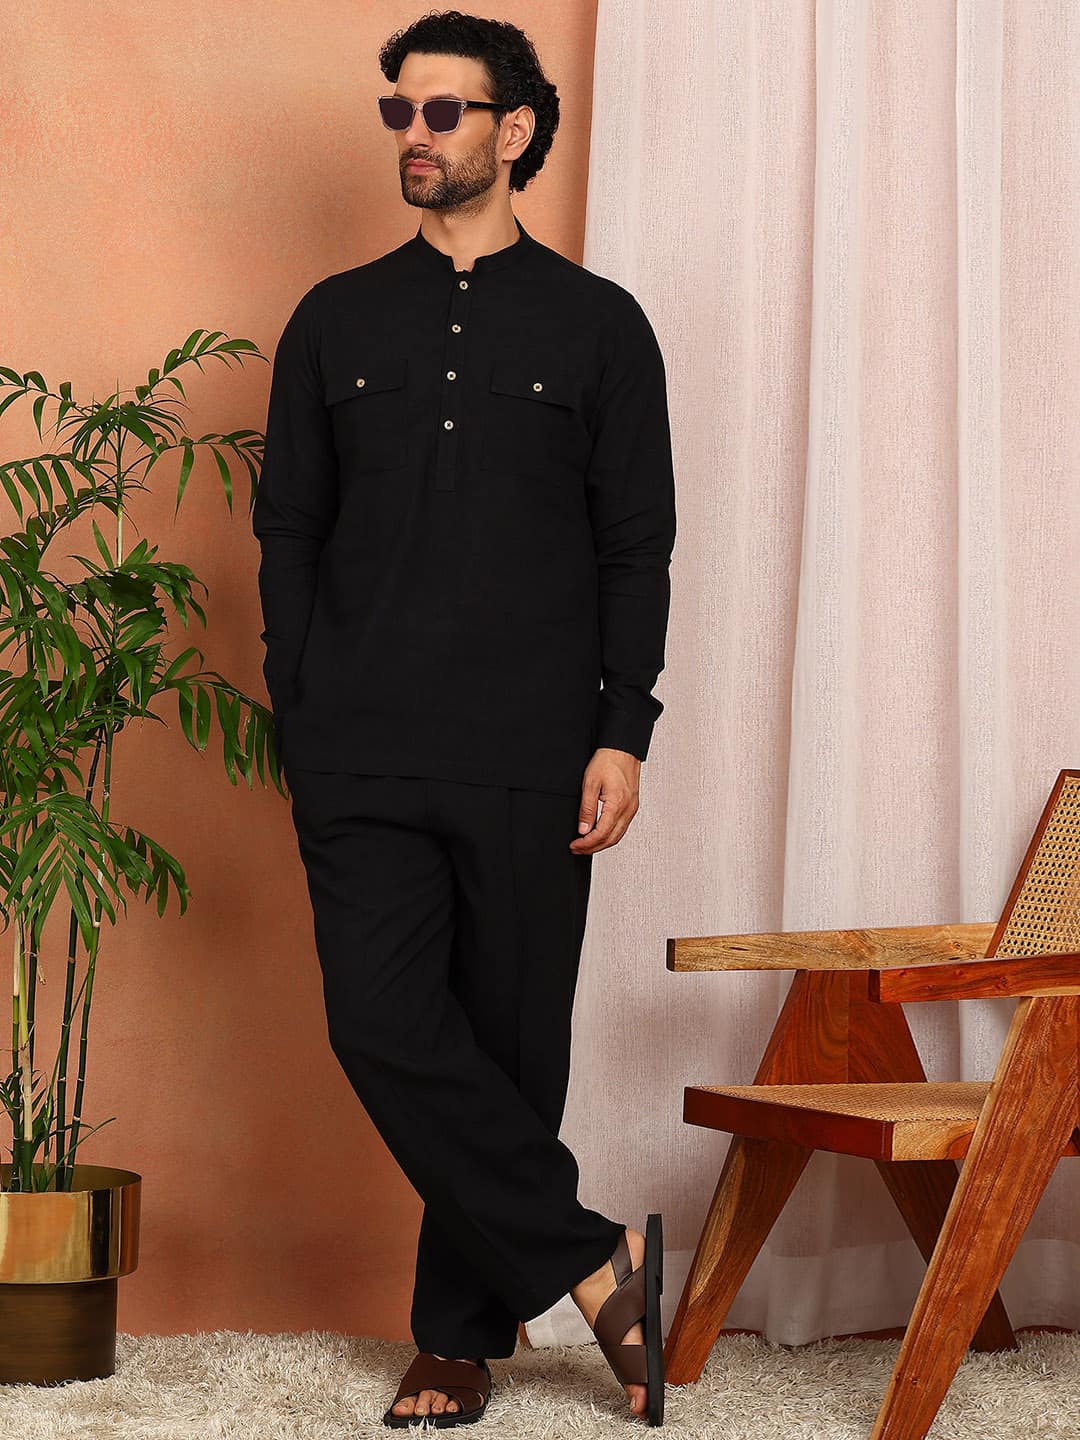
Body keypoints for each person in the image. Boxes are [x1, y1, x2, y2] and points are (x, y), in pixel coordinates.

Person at [251, 10, 676, 1429]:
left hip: (532, 751)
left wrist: (623, 730)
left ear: (517, 129)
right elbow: (289, 527)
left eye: (445, 111)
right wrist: (300, 696)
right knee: (380, 1023)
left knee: (508, 1049)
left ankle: (455, 1340)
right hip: (359, 741)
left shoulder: (601, 326)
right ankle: (595, 1260)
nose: (416, 134)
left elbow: (635, 544)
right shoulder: (334, 318)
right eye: (401, 111)